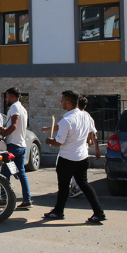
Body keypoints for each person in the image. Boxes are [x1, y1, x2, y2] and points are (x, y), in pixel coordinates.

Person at [44, 91, 106, 223]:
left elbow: (59, 142)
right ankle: (99, 212)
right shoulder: (86, 116)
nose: (61, 102)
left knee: (63, 187)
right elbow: (91, 132)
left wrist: (49, 141)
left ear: (68, 102)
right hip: (82, 157)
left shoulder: (66, 121)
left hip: (67, 158)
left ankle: (58, 211)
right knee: (84, 185)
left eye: (62, 100)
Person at [41, 97, 101, 198]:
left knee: (68, 176)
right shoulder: (87, 116)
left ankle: (74, 189)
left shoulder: (71, 118)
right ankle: (76, 191)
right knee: (80, 177)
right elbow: (93, 133)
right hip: (82, 149)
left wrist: (49, 138)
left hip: (72, 151)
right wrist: (96, 148)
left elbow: (60, 134)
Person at [0, 87, 32, 209]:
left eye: (7, 96)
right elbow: (17, 126)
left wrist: (1, 136)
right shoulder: (23, 109)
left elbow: (14, 126)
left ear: (11, 97)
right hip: (21, 145)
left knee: (5, 173)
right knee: (21, 172)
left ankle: (4, 198)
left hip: (13, 145)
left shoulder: (14, 107)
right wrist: (6, 130)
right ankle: (27, 199)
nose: (6, 99)